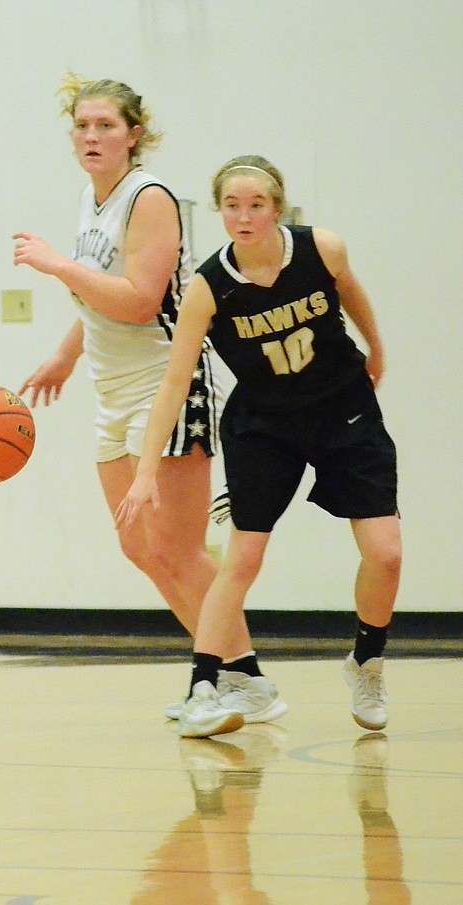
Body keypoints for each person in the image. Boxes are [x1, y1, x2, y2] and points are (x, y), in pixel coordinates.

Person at [116, 155, 401, 739]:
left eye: (257, 206)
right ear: (220, 210)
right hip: (264, 425)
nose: (244, 218)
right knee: (242, 558)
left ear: (278, 208)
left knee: (387, 552)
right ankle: (206, 684)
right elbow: (173, 382)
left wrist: (375, 347)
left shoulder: (321, 248)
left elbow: (352, 294)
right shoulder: (209, 287)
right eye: (231, 206)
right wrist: (146, 472)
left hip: (342, 408)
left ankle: (366, 660)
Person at [12, 75, 233, 716]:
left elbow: (140, 303)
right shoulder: (93, 196)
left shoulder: (148, 197)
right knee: (138, 545)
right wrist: (64, 352)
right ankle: (240, 672)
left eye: (106, 125)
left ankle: (226, 676)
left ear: (134, 134)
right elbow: (101, 296)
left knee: (176, 547)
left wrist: (56, 265)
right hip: (111, 390)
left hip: (165, 382)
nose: (91, 136)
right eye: (82, 125)